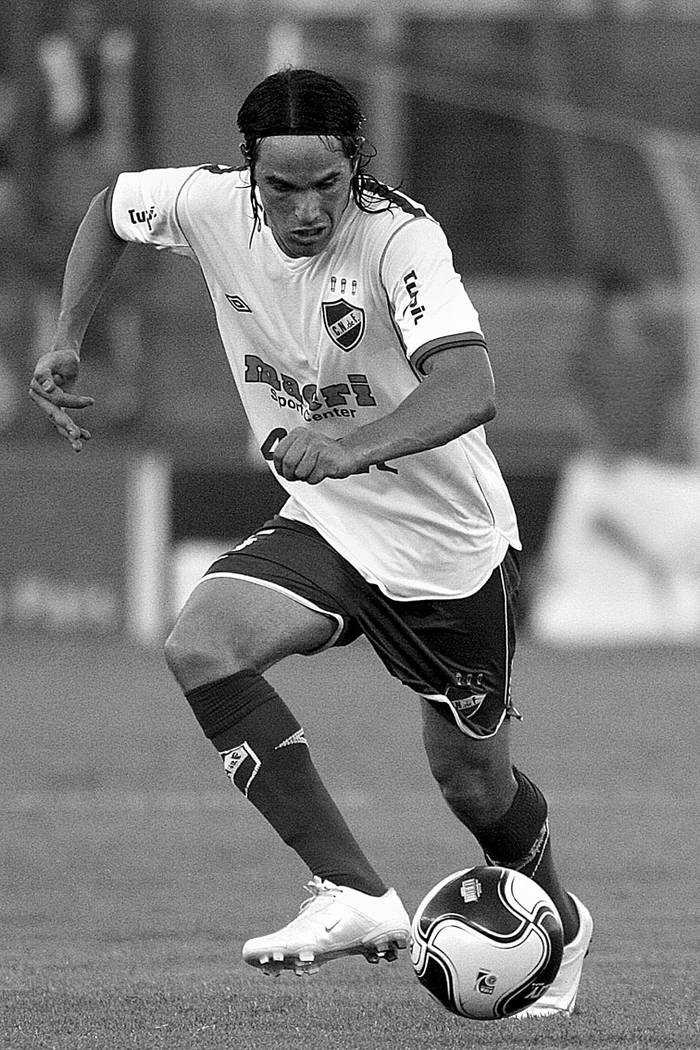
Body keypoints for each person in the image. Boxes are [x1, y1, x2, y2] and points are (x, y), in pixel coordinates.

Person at [29, 68, 592, 1015]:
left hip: (449, 546)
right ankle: (358, 894)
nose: (305, 208)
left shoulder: (401, 239)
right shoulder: (205, 205)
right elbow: (109, 209)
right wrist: (67, 337)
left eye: (326, 184)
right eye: (281, 187)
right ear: (246, 171)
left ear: (355, 168)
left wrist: (348, 443)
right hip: (331, 522)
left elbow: (470, 387)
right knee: (203, 644)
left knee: (474, 787)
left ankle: (562, 928)